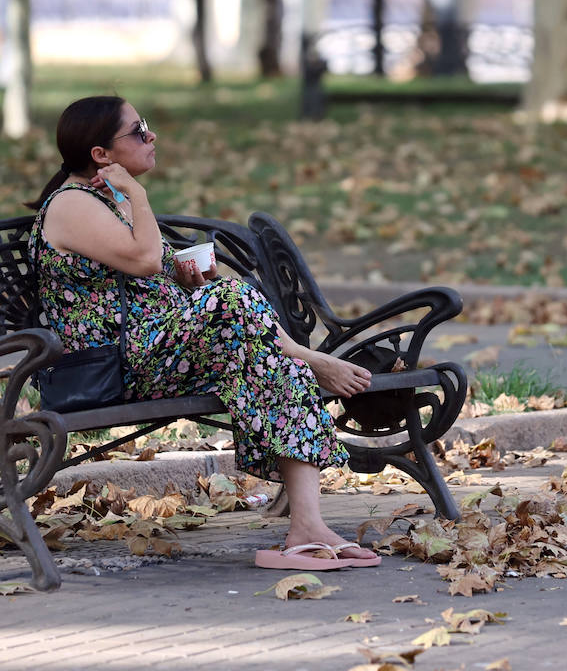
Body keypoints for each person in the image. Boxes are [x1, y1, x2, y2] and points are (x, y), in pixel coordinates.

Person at [28, 96, 380, 570]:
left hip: (157, 350)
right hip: (112, 364)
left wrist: (184, 272)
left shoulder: (107, 196)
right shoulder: (72, 203)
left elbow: (154, 265)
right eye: (138, 131)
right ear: (100, 155)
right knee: (239, 309)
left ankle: (307, 526)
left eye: (146, 126)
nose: (151, 137)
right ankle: (311, 360)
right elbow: (145, 259)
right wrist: (139, 195)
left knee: (266, 358)